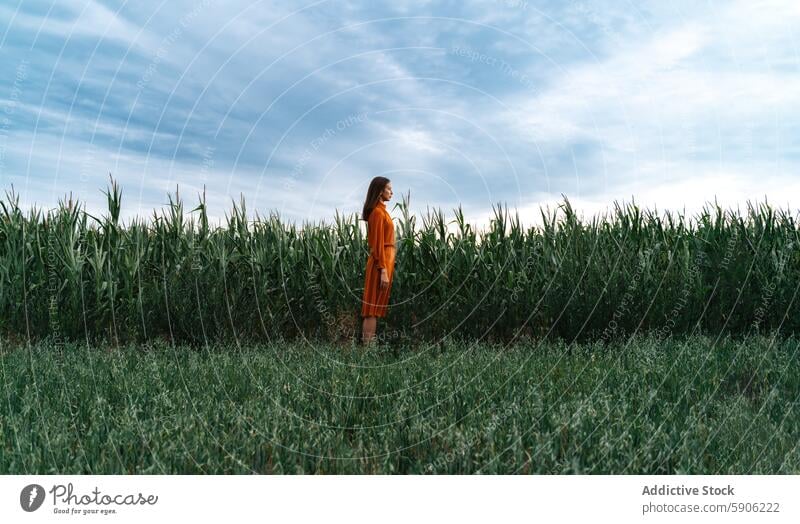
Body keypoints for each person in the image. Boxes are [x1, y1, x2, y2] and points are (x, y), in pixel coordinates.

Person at [360, 177, 395, 345]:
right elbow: (377, 244)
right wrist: (383, 270)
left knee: (376, 307)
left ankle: (369, 348)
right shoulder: (377, 213)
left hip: (384, 264)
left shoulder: (382, 212)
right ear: (380, 191)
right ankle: (367, 351)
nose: (392, 192)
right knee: (371, 308)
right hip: (379, 266)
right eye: (389, 189)